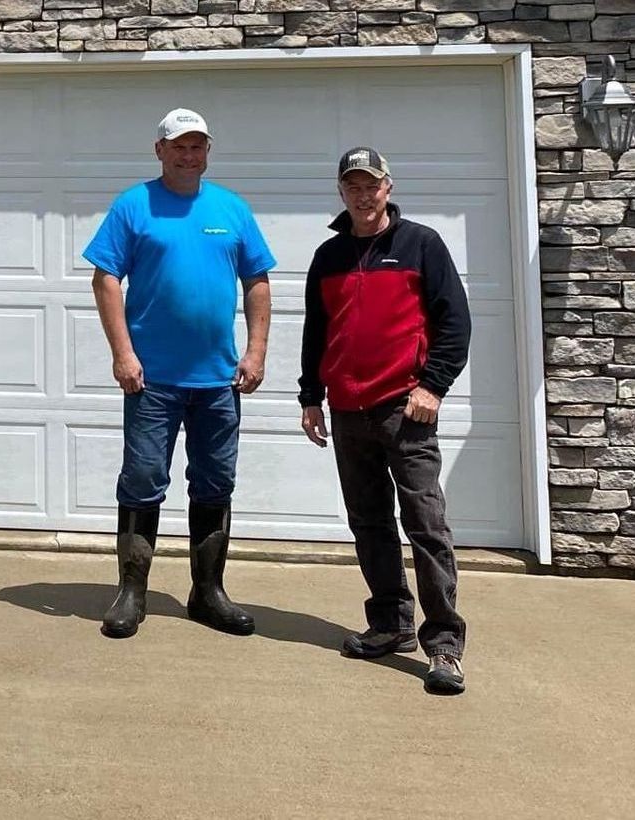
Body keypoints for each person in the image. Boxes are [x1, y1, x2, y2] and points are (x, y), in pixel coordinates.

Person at [83, 109, 275, 640]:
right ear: (160, 150)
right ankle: (131, 593)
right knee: (143, 479)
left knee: (215, 481)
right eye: (179, 146)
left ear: (207, 152)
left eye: (198, 146)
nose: (189, 155)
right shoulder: (133, 205)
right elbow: (105, 281)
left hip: (217, 381)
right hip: (152, 382)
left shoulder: (230, 209)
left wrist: (255, 353)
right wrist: (123, 354)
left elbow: (257, 282)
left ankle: (208, 593)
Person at [298, 147, 471, 695]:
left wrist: (432, 387)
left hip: (406, 409)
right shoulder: (328, 257)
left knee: (425, 524)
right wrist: (311, 396)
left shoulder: (421, 244)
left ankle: (443, 643)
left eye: (371, 184)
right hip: (348, 412)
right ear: (341, 191)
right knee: (369, 522)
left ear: (388, 187)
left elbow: (455, 323)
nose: (363, 193)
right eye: (353, 185)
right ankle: (389, 624)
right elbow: (315, 333)